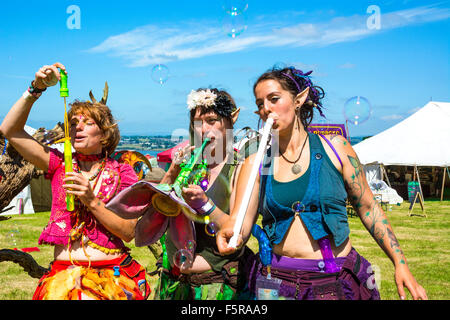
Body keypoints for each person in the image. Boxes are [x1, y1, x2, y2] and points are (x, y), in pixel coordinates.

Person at [216, 66, 428, 300]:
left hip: (335, 280)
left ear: (299, 99)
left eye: (274, 99)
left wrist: (400, 262)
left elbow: (368, 208)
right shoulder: (254, 163)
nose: (266, 109)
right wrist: (228, 233)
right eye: (259, 104)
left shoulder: (336, 148)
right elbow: (239, 223)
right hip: (277, 284)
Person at [0, 62, 150, 300]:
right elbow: (10, 130)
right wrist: (36, 88)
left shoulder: (123, 172)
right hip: (62, 281)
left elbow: (129, 232)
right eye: (74, 123)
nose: (77, 127)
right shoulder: (60, 163)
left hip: (109, 278)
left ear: (105, 134)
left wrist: (91, 200)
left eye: (87, 123)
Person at [152, 88, 254, 300]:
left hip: (217, 286)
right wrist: (173, 171)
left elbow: (236, 231)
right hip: (176, 283)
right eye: (198, 123)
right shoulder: (190, 165)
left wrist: (205, 203)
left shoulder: (239, 168)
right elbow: (157, 212)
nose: (204, 130)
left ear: (231, 120)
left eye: (212, 121)